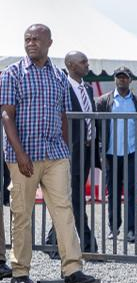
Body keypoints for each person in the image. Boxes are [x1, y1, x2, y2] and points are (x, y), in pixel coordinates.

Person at [0, 24, 97, 283]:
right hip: (23, 156)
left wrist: (64, 148)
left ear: (49, 43)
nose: (31, 43)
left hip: (55, 154)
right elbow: (7, 114)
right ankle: (20, 272)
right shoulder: (13, 74)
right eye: (27, 39)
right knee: (21, 213)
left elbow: (64, 115)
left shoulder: (59, 78)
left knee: (64, 210)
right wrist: (19, 153)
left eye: (36, 39)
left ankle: (72, 270)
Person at [46, 51, 97, 254]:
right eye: (83, 62)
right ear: (70, 65)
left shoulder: (89, 89)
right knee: (72, 196)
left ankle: (52, 241)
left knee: (73, 196)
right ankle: (85, 241)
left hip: (86, 151)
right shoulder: (62, 87)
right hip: (69, 151)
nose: (87, 65)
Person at [94, 66, 137, 244]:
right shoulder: (103, 101)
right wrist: (99, 151)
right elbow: (98, 129)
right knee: (113, 192)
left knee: (132, 192)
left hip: (133, 152)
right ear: (115, 80)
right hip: (111, 153)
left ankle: (131, 230)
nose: (122, 80)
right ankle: (114, 227)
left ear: (130, 80)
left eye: (125, 77)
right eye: (119, 77)